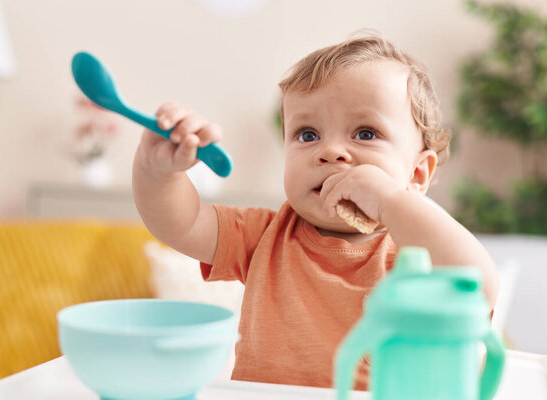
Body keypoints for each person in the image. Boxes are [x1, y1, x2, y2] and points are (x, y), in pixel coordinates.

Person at [132, 32, 499, 390]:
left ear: (417, 173)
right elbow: (182, 223)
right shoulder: (265, 236)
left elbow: (476, 285)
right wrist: (157, 172)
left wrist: (389, 201)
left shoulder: (417, 254)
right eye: (307, 135)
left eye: (365, 133)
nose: (331, 151)